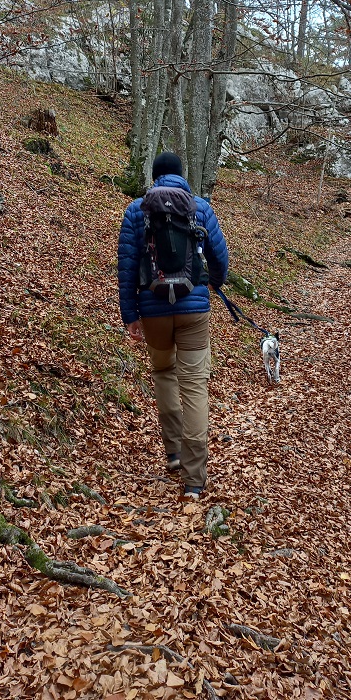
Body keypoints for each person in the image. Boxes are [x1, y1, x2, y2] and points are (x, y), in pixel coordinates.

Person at [117, 152, 229, 498]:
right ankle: (194, 480)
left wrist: (130, 315)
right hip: (193, 309)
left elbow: (127, 264)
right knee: (194, 386)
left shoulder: (137, 211)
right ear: (182, 176)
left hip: (153, 310)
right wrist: (215, 282)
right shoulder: (200, 208)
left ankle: (174, 452)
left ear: (154, 177)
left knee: (164, 373)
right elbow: (220, 257)